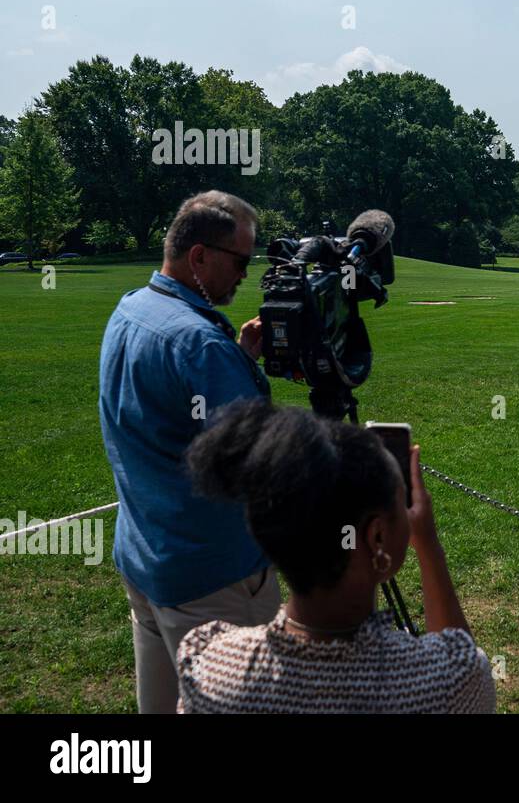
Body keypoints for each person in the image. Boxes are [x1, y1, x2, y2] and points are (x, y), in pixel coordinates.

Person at [176, 399, 495, 713]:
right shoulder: (445, 681)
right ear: (377, 537)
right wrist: (428, 544)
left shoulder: (209, 668)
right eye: (401, 502)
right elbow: (463, 666)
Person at [99, 190, 277, 714]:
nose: (245, 275)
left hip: (146, 562)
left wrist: (238, 361)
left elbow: (172, 416)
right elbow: (254, 464)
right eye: (240, 261)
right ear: (199, 256)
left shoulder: (132, 308)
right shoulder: (200, 346)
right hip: (213, 578)